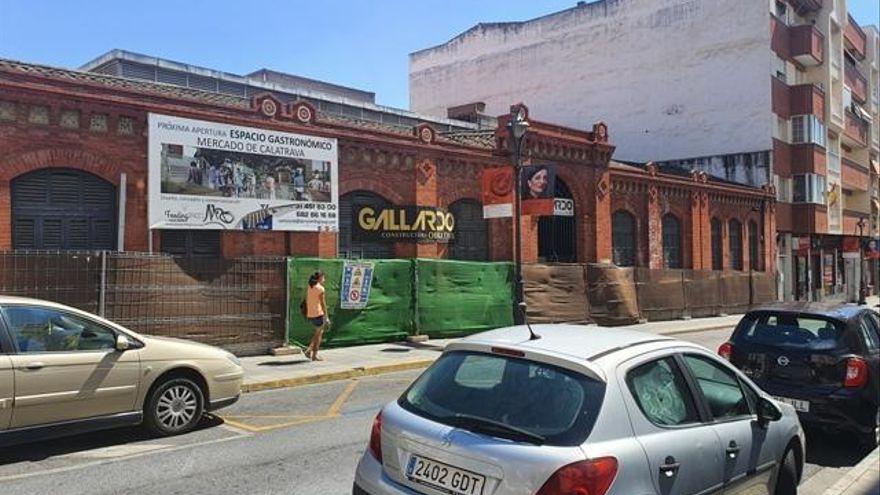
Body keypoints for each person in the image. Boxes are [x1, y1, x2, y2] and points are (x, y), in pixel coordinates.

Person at [304, 271, 330, 361]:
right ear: (320, 278)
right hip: (318, 313)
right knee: (319, 335)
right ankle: (314, 355)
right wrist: (326, 316)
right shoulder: (320, 289)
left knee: (318, 332)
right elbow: (323, 303)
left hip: (310, 313)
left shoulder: (310, 286)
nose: (324, 279)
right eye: (323, 277)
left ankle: (309, 350)